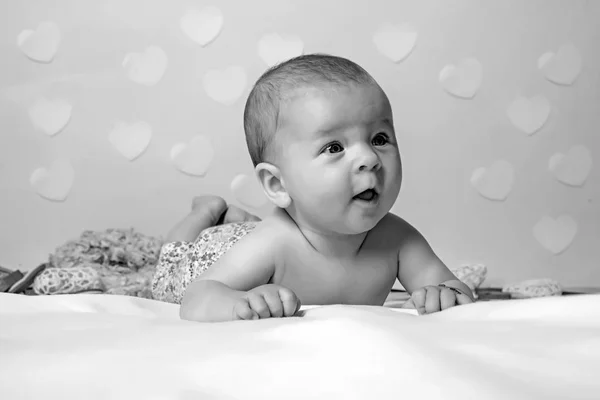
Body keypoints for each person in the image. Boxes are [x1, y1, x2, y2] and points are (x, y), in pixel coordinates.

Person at [154, 54, 475, 322]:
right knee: (174, 260)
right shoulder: (272, 243)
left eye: (379, 139)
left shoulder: (397, 239)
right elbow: (197, 297)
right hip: (205, 259)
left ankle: (237, 219)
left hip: (254, 233)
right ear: (278, 184)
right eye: (334, 147)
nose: (369, 158)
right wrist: (240, 305)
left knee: (246, 228)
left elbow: (452, 287)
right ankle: (207, 211)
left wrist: (444, 294)